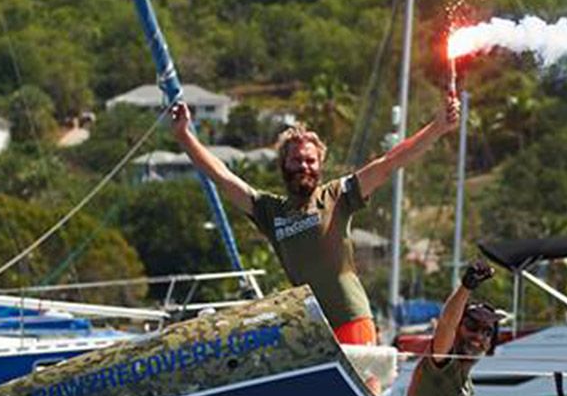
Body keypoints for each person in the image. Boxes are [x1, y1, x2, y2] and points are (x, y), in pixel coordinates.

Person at [170, 95, 459, 345]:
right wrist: (185, 136)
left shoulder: (336, 195)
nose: (303, 167)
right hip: (311, 329)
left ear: (320, 165)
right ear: (284, 165)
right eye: (296, 160)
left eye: (310, 161)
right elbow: (222, 177)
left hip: (351, 318)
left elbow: (389, 163)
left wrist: (437, 128)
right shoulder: (270, 212)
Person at [403, 260, 508, 396]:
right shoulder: (443, 363)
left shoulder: (465, 383)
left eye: (487, 332)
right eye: (472, 326)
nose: (479, 336)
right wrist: (466, 286)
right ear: (458, 329)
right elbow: (446, 323)